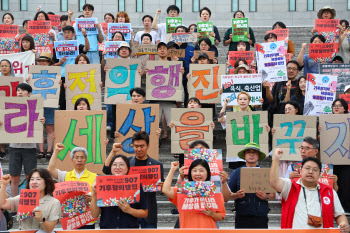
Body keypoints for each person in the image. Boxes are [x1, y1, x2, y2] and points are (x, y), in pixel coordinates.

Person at [270, 150, 349, 232]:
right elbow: (274, 182)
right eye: (307, 168)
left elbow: (340, 214)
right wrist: (276, 159)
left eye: (315, 170)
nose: (310, 172)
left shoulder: (329, 191)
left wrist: (343, 223)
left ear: (319, 174)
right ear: (300, 170)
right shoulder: (290, 186)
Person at [103, 131, 163, 228]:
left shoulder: (157, 165)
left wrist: (161, 187)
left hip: (147, 210)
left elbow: (161, 191)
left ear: (148, 146)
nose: (139, 149)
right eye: (136, 146)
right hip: (127, 209)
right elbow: (106, 170)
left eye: (142, 146)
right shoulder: (127, 163)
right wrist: (113, 151)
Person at [0, 83, 45, 197]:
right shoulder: (10, 106)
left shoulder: (36, 107)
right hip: (14, 147)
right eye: (18, 90)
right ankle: (15, 203)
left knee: (31, 177)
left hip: (29, 148)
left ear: (29, 93)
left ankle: (30, 202)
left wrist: (41, 122)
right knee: (14, 177)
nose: (20, 92)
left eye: (23, 90)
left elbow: (38, 129)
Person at [91, 145, 148, 229]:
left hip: (129, 229)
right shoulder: (102, 184)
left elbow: (144, 213)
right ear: (110, 168)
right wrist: (94, 194)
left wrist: (130, 210)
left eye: (121, 164)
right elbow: (94, 214)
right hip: (107, 229)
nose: (118, 167)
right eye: (114, 165)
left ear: (128, 168)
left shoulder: (136, 185)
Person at [163, 159, 225, 228]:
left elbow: (221, 216)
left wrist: (212, 214)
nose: (197, 173)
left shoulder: (215, 191)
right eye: (194, 170)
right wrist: (172, 170)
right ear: (190, 173)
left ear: (207, 172)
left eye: (201, 170)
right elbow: (165, 190)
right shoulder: (183, 190)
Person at [48, 143, 96, 229]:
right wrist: (56, 151)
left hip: (88, 221)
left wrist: (93, 198)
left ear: (86, 160)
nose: (79, 160)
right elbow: (51, 169)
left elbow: (99, 198)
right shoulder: (65, 176)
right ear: (72, 160)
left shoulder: (95, 177)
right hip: (70, 221)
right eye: (76, 157)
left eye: (82, 157)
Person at [229, 142, 274, 228]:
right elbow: (228, 195)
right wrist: (237, 195)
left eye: (254, 152)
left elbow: (273, 195)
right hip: (242, 215)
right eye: (248, 152)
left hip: (261, 215)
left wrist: (266, 197)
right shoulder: (236, 173)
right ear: (244, 155)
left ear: (258, 156)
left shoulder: (265, 173)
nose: (251, 154)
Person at [53, 25, 89, 110]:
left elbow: (86, 49)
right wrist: (60, 62)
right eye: (64, 33)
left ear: (73, 34)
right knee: (62, 100)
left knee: (75, 99)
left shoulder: (77, 45)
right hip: (62, 76)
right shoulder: (58, 47)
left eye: (68, 32)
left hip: (75, 76)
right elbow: (52, 65)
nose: (66, 34)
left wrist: (85, 36)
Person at [330, 98, 350, 214]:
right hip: (331, 159)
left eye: (339, 105)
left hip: (347, 159)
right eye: (334, 106)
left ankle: (346, 207)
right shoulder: (325, 121)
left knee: (346, 183)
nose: (336, 108)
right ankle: (333, 208)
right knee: (332, 183)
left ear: (345, 108)